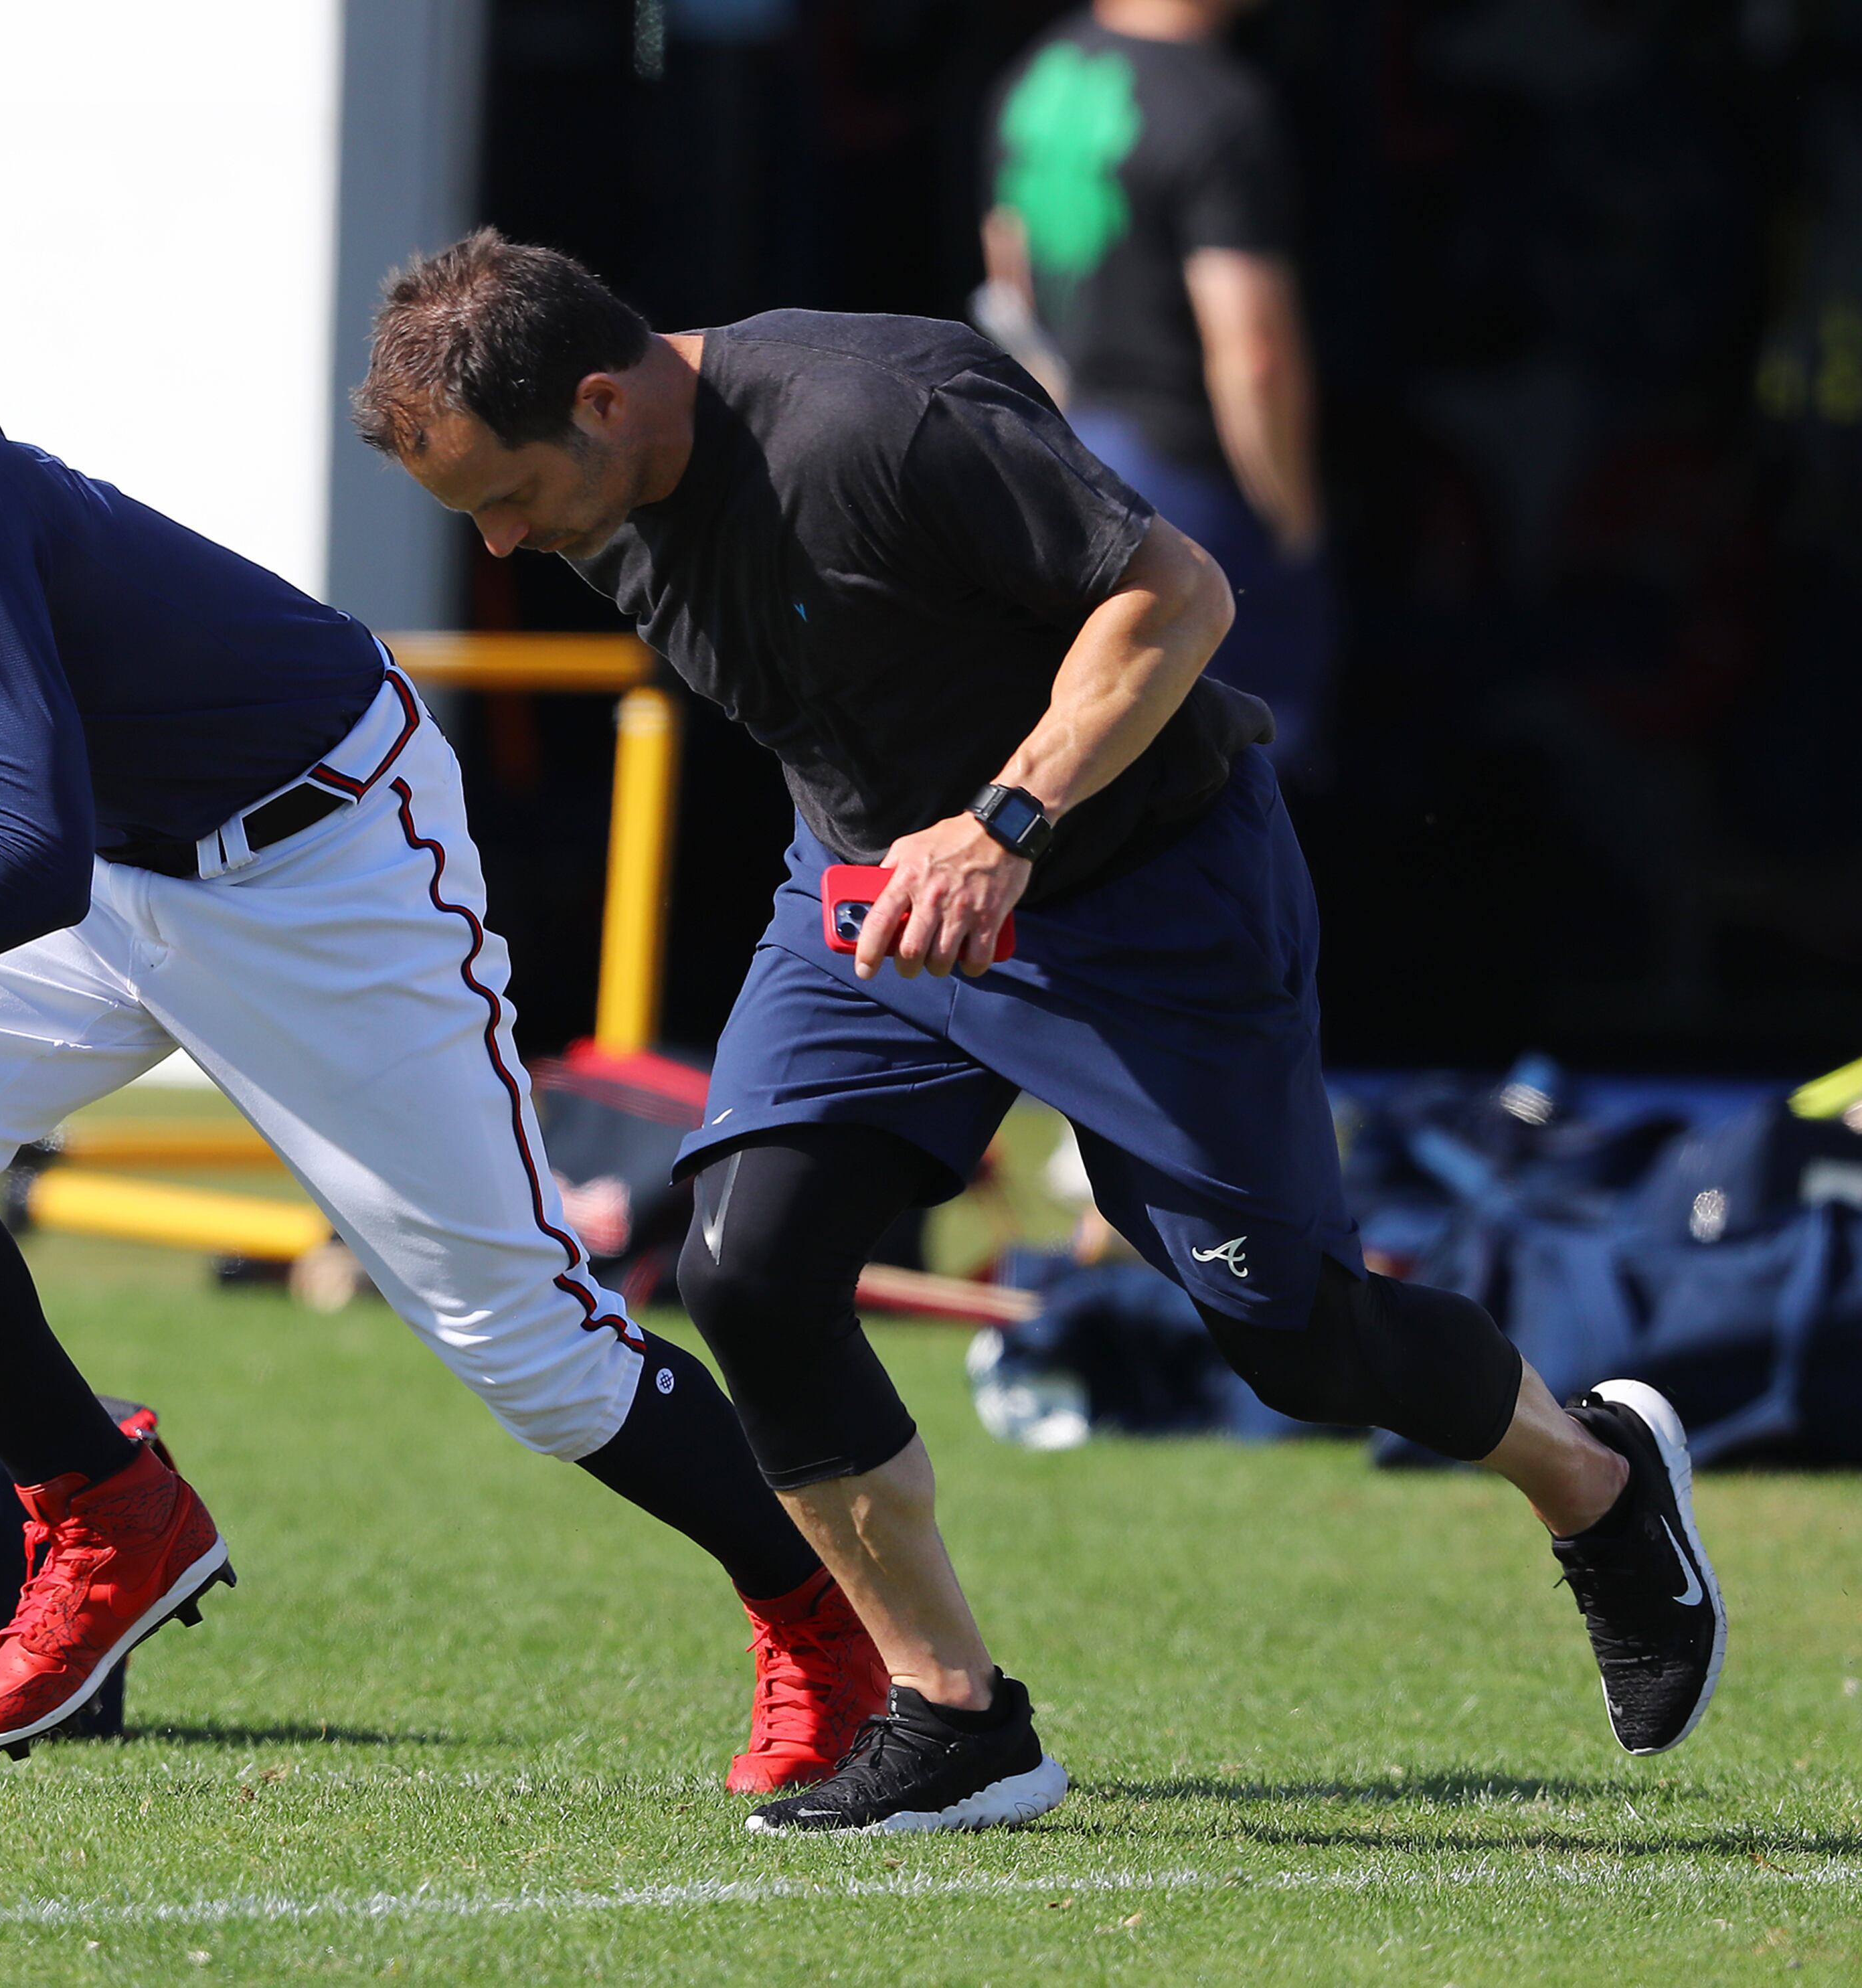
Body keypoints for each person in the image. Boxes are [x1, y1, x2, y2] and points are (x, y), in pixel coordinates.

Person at [0, 195, 890, 1784]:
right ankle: (107, 1512)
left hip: (314, 855)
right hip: (116, 868)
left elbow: (16, 847)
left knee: (533, 1348)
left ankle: (828, 1631)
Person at [357, 230, 1725, 1835]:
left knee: (1293, 1341)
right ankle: (954, 1716)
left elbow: (1177, 593)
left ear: (602, 397)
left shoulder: (880, 418)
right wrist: (916, 855)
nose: (506, 546)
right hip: (874, 896)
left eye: (505, 496)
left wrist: (1002, 822)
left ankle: (1596, 1481)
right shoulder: (602, 479)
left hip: (1138, 896)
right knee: (744, 1263)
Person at [979, 0, 1332, 776]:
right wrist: (1295, 523)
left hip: (1067, 464)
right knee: (1238, 783)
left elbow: (1007, 275)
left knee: (1091, 771)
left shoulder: (1042, 76)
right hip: (1188, 491)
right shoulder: (1220, 108)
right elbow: (1255, 354)